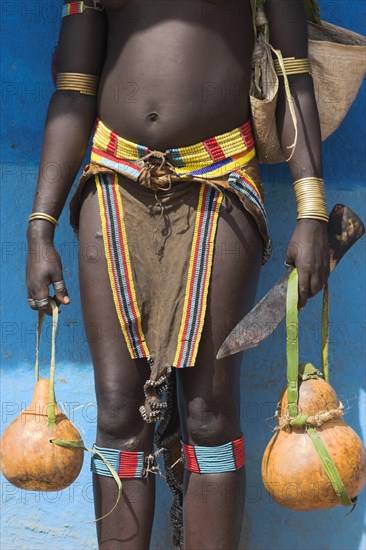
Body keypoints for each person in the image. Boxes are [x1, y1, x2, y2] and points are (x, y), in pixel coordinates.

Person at [26, 1, 330, 548]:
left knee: (210, 413)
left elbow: (294, 75)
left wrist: (311, 210)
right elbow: (74, 90)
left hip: (221, 183)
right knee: (120, 414)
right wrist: (40, 226)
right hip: (114, 182)